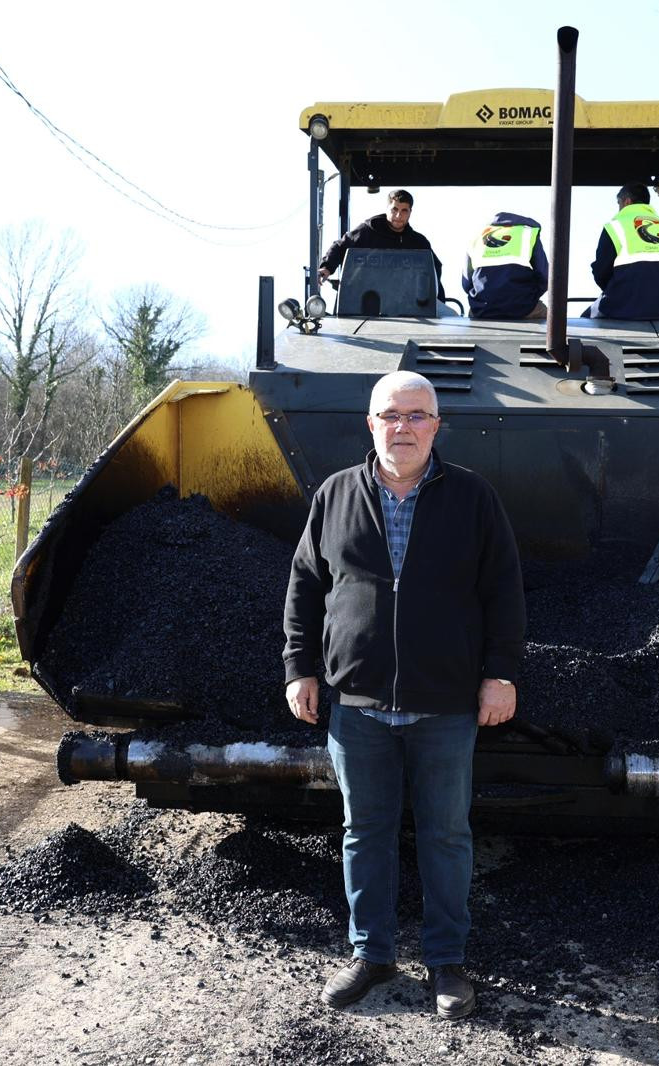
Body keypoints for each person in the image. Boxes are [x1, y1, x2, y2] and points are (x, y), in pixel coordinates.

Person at [282, 370, 525, 1021]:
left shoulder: (472, 497)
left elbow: (504, 589)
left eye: (417, 415)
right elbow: (305, 587)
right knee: (365, 833)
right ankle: (373, 954)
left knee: (445, 835)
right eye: (391, 415)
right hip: (356, 705)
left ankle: (447, 962)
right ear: (371, 424)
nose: (404, 427)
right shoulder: (335, 494)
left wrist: (501, 673)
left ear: (437, 425)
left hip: (445, 705)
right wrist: (300, 668)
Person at [318, 189, 446, 301]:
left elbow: (434, 269)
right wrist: (326, 267)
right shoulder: (367, 232)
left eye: (404, 211)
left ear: (410, 212)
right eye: (394, 209)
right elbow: (340, 246)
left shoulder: (418, 242)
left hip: (407, 306)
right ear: (387, 209)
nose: (398, 215)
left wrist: (435, 302)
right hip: (366, 304)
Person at [587, 183, 659, 319]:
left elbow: (601, 272)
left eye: (619, 203)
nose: (619, 208)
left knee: (584, 319)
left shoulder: (615, 226)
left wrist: (616, 292)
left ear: (627, 202)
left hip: (624, 306)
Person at [460, 211, 548, 319]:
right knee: (553, 320)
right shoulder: (527, 233)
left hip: (482, 309)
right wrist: (530, 297)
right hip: (524, 306)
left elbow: (466, 284)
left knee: (470, 318)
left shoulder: (477, 237)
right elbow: (545, 277)